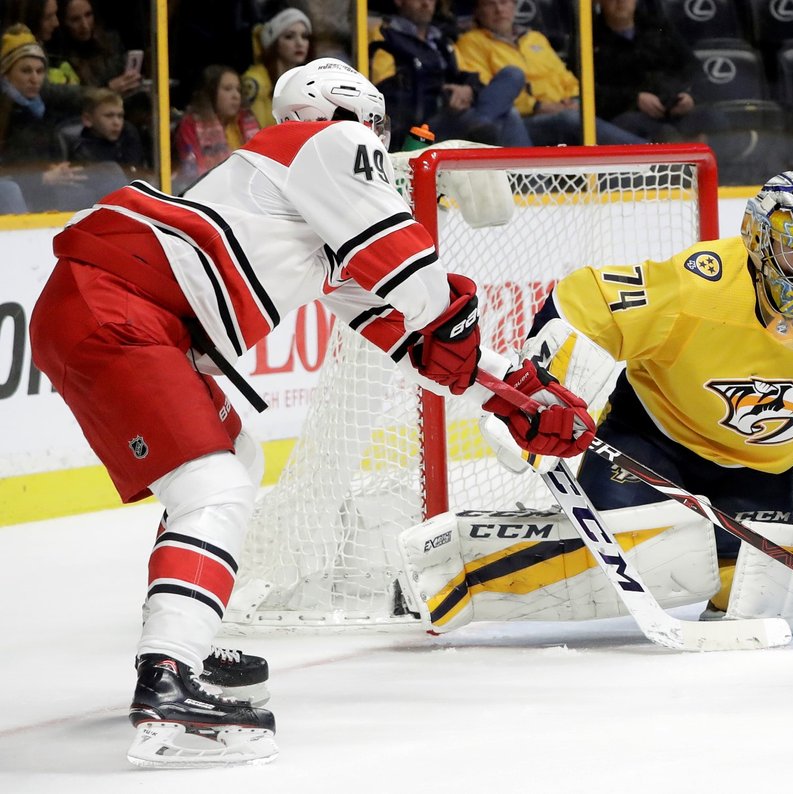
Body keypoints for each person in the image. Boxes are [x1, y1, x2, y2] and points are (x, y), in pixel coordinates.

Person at [29, 57, 594, 768]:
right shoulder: (327, 145)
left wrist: (510, 401)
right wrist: (457, 312)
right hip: (121, 305)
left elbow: (415, 340)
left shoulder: (299, 206)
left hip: (111, 307)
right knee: (215, 489)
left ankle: (182, 647)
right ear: (347, 111)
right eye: (379, 128)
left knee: (234, 462)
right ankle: (166, 679)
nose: (384, 148)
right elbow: (421, 291)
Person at [405, 171, 793, 639]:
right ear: (758, 242)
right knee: (652, 556)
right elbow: (584, 298)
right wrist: (537, 391)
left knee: (776, 588)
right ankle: (460, 568)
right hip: (648, 447)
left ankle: (790, 552)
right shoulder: (700, 286)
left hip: (757, 479)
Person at [454, 0, 644, 146]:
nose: (499, 10)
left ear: (514, 6)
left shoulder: (535, 38)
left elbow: (564, 76)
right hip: (521, 120)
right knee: (572, 120)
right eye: (490, 4)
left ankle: (648, 158)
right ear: (478, 12)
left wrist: (574, 99)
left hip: (563, 110)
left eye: (504, 2)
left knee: (584, 117)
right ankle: (650, 156)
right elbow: (489, 91)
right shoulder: (470, 43)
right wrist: (537, 105)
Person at [369, 0, 530, 149]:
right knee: (508, 116)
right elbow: (384, 90)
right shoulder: (385, 37)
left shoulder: (443, 42)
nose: (426, 3)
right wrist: (443, 92)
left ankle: (481, 122)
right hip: (422, 125)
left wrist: (468, 90)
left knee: (512, 75)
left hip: (458, 115)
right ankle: (482, 126)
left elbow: (470, 76)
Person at [0, 23, 124, 210]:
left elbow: (74, 96)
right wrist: (42, 178)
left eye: (40, 71)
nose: (35, 79)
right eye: (26, 71)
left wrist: (106, 96)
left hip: (55, 178)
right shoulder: (4, 109)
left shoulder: (40, 98)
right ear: (7, 75)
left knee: (109, 172)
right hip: (29, 188)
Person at [592, 0, 707, 143]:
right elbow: (588, 93)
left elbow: (693, 68)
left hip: (673, 109)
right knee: (659, 132)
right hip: (628, 116)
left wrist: (690, 97)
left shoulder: (657, 27)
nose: (621, 1)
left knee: (714, 119)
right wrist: (634, 99)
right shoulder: (589, 39)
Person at [172, 63, 260, 193]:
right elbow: (192, 172)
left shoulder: (247, 120)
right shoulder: (191, 125)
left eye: (238, 89)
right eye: (228, 89)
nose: (236, 96)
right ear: (211, 93)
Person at [241, 6, 313, 129]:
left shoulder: (307, 80)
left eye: (304, 36)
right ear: (274, 43)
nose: (300, 43)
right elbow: (253, 132)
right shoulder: (255, 82)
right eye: (289, 37)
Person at [52, 0, 141, 94]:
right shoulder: (60, 57)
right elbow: (75, 98)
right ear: (63, 22)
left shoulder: (111, 41)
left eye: (88, 15)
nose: (85, 25)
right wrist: (108, 90)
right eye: (75, 19)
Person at [68, 86, 145, 172]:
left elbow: (136, 172)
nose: (117, 123)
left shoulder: (129, 136)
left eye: (120, 116)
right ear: (88, 120)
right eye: (109, 116)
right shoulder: (77, 146)